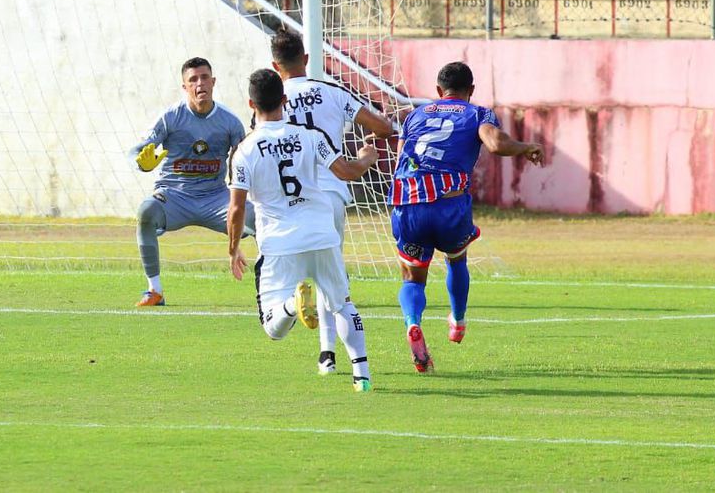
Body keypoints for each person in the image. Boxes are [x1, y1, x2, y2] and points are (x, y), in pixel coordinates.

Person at [227, 68, 380, 393]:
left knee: (273, 328)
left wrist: (232, 249)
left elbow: (237, 208)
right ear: (284, 100)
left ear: (250, 104)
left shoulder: (245, 151)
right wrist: (366, 158)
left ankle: (291, 305)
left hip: (281, 245)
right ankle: (362, 376)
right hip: (322, 235)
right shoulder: (310, 135)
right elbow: (347, 171)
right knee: (342, 304)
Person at [390, 61, 544, 372]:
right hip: (449, 204)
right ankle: (457, 321)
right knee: (456, 259)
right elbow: (495, 143)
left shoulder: (415, 115)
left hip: (409, 202)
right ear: (470, 91)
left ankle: (412, 322)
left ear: (437, 91)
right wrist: (526, 146)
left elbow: (399, 162)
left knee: (413, 276)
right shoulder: (477, 113)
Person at [269, 27, 395, 376]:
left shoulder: (272, 101)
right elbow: (381, 126)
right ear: (306, 59)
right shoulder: (332, 92)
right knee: (332, 278)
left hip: (289, 199)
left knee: (303, 275)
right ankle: (344, 359)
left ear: (274, 65)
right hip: (332, 192)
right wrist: (371, 145)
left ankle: (323, 350)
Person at [130, 57, 255, 307]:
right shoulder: (170, 118)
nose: (200, 84)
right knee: (146, 211)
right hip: (174, 196)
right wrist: (141, 162)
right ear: (185, 87)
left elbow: (245, 159)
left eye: (205, 77)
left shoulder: (229, 122)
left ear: (214, 81)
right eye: (193, 80)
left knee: (260, 216)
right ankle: (154, 290)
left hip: (215, 197)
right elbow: (137, 151)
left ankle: (275, 288)